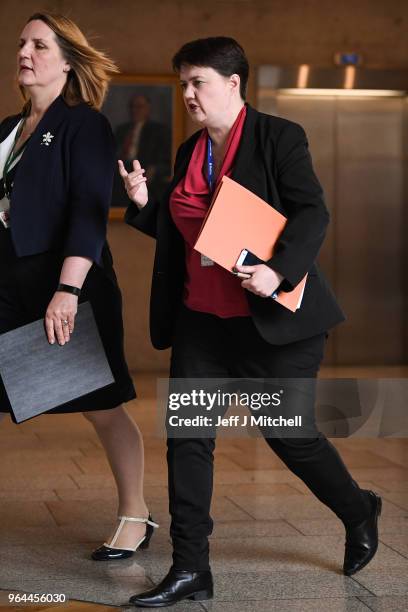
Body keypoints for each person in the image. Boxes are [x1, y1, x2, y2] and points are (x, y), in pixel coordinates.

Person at [120, 37, 382, 607]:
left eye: (199, 83)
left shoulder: (278, 137)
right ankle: (191, 567)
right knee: (188, 438)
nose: (188, 94)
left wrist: (279, 272)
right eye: (183, 83)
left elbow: (312, 211)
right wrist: (143, 203)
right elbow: (183, 226)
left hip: (272, 318)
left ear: (233, 83)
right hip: (203, 321)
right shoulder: (192, 152)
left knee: (290, 434)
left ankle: (360, 508)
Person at [0, 12, 158, 562]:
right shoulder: (5, 130)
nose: (25, 51)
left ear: (67, 61)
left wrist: (66, 292)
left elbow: (90, 214)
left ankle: (135, 514)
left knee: (101, 406)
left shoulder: (83, 124)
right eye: (21, 43)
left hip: (68, 285)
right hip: (9, 284)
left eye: (39, 44)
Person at [111, 94, 171, 206]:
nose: (135, 110)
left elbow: (166, 159)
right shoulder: (121, 129)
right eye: (132, 107)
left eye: (139, 107)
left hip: (145, 170)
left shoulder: (159, 130)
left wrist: (154, 169)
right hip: (122, 170)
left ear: (148, 109)